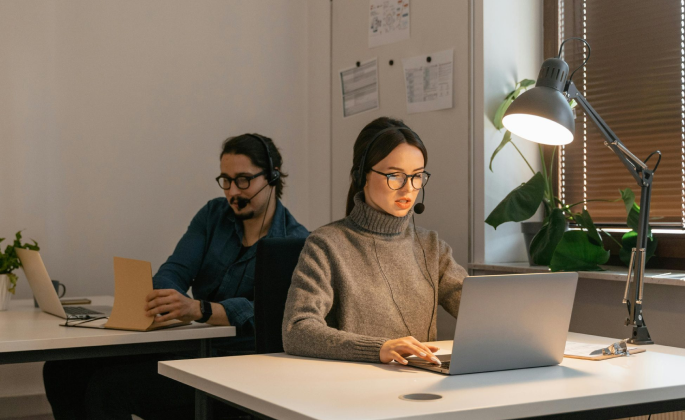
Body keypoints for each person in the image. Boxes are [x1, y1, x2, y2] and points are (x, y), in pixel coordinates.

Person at [43, 133, 309, 420]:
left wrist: (199, 309)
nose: (233, 191)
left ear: (272, 176)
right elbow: (175, 270)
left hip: (237, 366)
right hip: (192, 347)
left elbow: (271, 318)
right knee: (61, 369)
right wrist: (167, 298)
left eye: (243, 180)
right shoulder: (213, 215)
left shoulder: (295, 243)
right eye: (226, 180)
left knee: (109, 388)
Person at [282, 117, 466, 366]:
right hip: (353, 387)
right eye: (395, 175)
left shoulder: (432, 248)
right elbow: (297, 330)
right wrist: (379, 348)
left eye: (417, 176)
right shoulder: (326, 244)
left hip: (420, 384)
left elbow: (479, 311)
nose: (408, 188)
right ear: (362, 176)